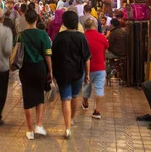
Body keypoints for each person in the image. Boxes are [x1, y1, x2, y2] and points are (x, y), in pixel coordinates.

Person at [51, 11, 91, 139]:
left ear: (64, 22)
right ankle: (72, 119)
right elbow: (87, 58)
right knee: (74, 96)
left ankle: (67, 128)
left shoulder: (59, 37)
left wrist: (51, 73)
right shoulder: (81, 37)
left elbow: (53, 57)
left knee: (65, 99)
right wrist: (87, 74)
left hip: (62, 72)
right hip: (78, 72)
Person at [18, 9, 53, 140]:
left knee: (27, 97)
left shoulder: (20, 35)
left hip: (25, 69)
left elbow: (16, 53)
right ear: (37, 20)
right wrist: (50, 70)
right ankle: (38, 124)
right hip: (40, 68)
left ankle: (29, 130)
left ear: (26, 20)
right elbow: (47, 55)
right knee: (39, 96)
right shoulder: (43, 35)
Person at [81, 18, 108, 119]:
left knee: (86, 86)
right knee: (99, 89)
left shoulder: (82, 37)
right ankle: (97, 111)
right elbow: (106, 48)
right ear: (95, 26)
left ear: (85, 26)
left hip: (86, 67)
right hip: (100, 67)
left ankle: (85, 103)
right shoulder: (101, 37)